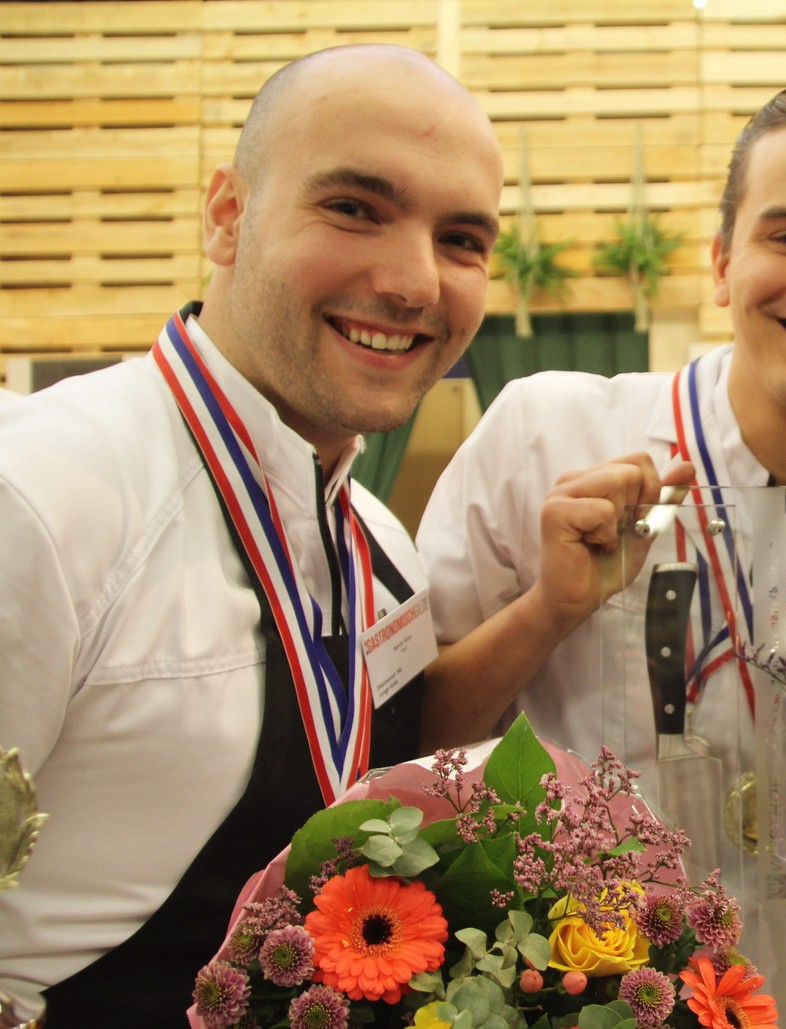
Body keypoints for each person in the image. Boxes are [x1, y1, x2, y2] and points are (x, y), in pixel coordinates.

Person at [0, 45, 680, 1027]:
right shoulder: (46, 495)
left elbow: (381, 748)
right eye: (354, 208)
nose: (411, 282)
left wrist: (549, 607)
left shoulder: (369, 535)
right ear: (227, 214)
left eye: (460, 239)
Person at [418, 75, 786, 1028]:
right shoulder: (546, 435)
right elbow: (405, 749)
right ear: (721, 260)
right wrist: (550, 612)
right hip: (548, 1003)